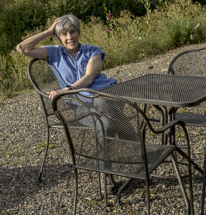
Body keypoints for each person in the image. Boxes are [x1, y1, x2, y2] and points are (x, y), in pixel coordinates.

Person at [16, 14, 136, 144]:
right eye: (64, 34)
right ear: (58, 37)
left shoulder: (92, 51)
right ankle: (135, 148)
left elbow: (89, 78)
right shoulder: (54, 53)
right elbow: (22, 48)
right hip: (82, 106)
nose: (69, 37)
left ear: (78, 32)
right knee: (106, 125)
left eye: (72, 32)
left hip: (108, 95)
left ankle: (128, 152)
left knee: (101, 102)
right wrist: (49, 31)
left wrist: (65, 90)